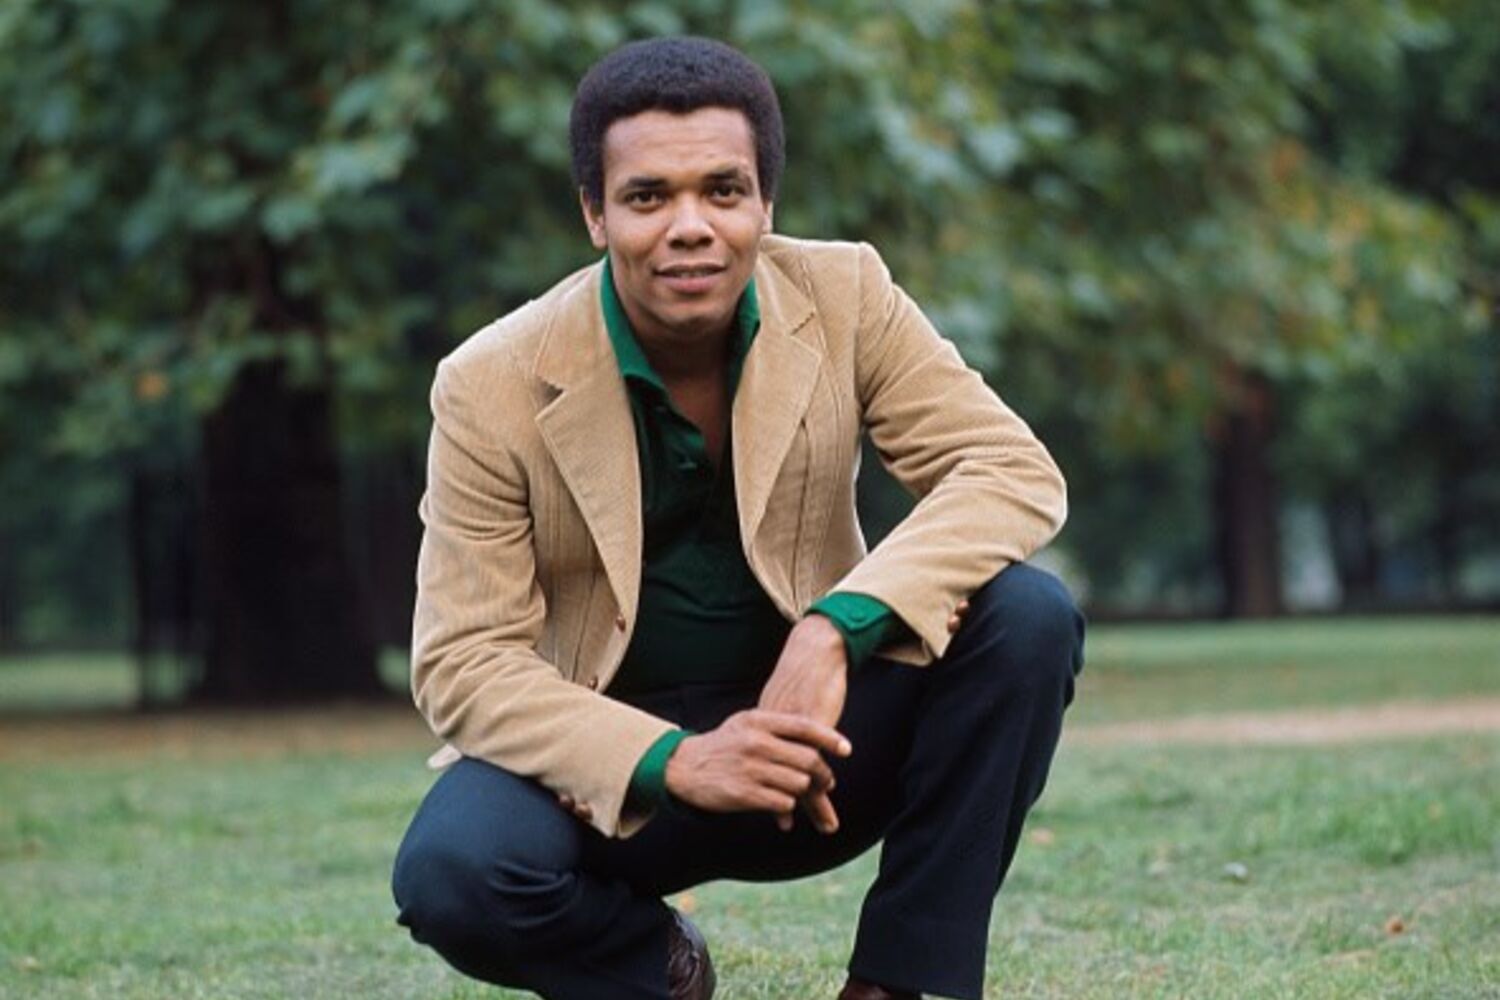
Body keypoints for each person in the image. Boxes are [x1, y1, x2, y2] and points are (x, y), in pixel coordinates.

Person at [391, 36, 1084, 1000]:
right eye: (647, 197)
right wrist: (674, 760)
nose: (691, 227)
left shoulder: (846, 295)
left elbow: (1008, 469)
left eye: (723, 190)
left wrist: (836, 629)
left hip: (819, 749)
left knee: (1029, 618)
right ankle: (659, 966)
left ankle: (894, 983)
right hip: (609, 785)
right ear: (594, 213)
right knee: (451, 873)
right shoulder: (487, 383)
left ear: (766, 204)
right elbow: (463, 664)